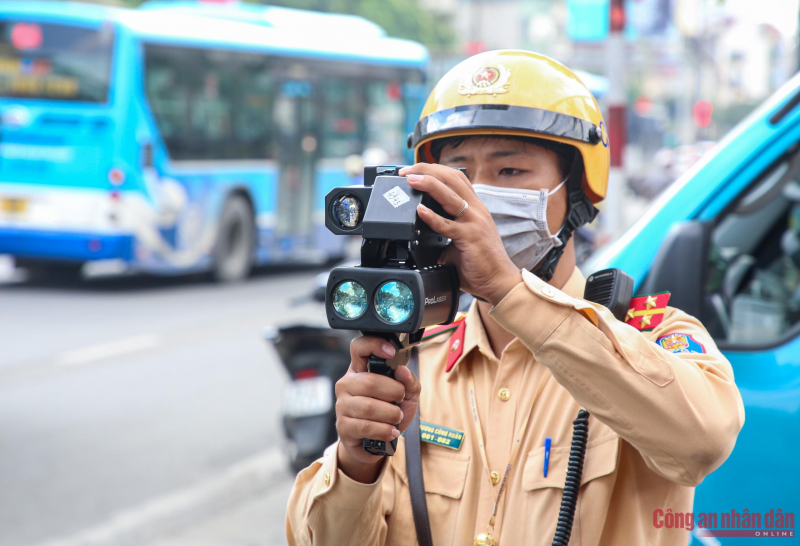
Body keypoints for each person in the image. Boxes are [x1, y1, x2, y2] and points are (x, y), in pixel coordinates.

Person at [286, 50, 744, 546]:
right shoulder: (413, 361)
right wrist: (357, 465)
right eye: (458, 174)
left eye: (510, 172)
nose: (476, 199)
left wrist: (508, 288)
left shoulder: (650, 339)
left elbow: (703, 441)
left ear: (579, 191)